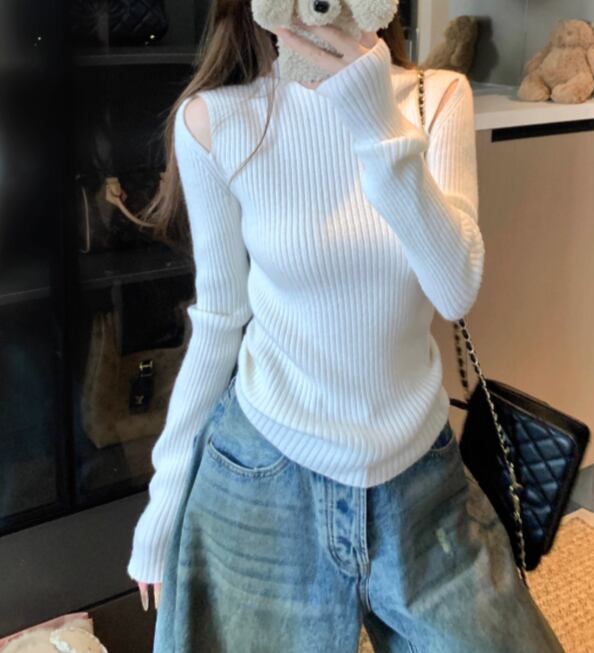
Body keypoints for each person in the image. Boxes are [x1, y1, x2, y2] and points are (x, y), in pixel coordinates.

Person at [127, 1, 565, 651]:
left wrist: (374, 118)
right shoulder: (214, 120)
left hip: (417, 471)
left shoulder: (435, 98)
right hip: (264, 465)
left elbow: (453, 291)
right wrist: (164, 500)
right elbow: (219, 319)